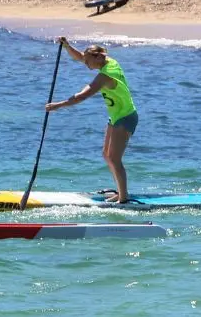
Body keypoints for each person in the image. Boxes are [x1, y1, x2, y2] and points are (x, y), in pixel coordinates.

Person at [46, 40, 138, 204]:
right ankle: (121, 192)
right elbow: (81, 56)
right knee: (107, 155)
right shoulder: (107, 60)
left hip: (125, 117)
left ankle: (123, 198)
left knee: (114, 158)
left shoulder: (105, 76)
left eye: (88, 62)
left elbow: (82, 96)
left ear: (98, 58)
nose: (86, 64)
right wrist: (67, 46)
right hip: (116, 116)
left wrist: (58, 105)